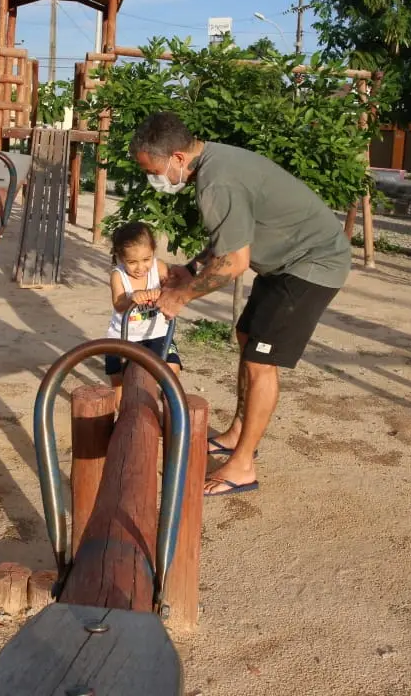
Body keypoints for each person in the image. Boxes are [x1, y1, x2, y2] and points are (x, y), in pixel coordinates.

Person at [132, 111, 351, 497]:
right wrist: (191, 268)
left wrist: (180, 295)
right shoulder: (215, 161)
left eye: (155, 171)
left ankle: (243, 465)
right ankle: (237, 433)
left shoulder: (218, 182)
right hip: (287, 261)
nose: (156, 181)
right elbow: (229, 238)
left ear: (179, 158)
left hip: (313, 263)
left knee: (260, 362)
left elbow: (234, 263)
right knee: (247, 334)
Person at [104, 221, 182, 404]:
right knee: (119, 381)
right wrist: (131, 297)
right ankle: (120, 417)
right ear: (120, 258)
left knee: (171, 369)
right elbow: (118, 303)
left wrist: (165, 293)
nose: (140, 268)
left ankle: (170, 410)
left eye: (146, 259)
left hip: (157, 332)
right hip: (124, 335)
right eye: (132, 262)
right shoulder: (118, 275)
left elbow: (172, 291)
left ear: (153, 251)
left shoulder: (159, 268)